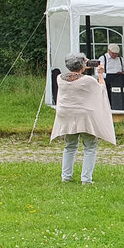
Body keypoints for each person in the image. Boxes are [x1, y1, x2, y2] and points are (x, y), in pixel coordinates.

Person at [50, 53, 116, 184]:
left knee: (70, 146)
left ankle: (66, 177)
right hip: (84, 116)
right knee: (90, 147)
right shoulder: (87, 80)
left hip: (66, 115)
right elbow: (101, 89)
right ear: (82, 65)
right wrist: (100, 74)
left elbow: (74, 77)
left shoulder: (60, 78)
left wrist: (82, 68)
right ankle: (86, 179)